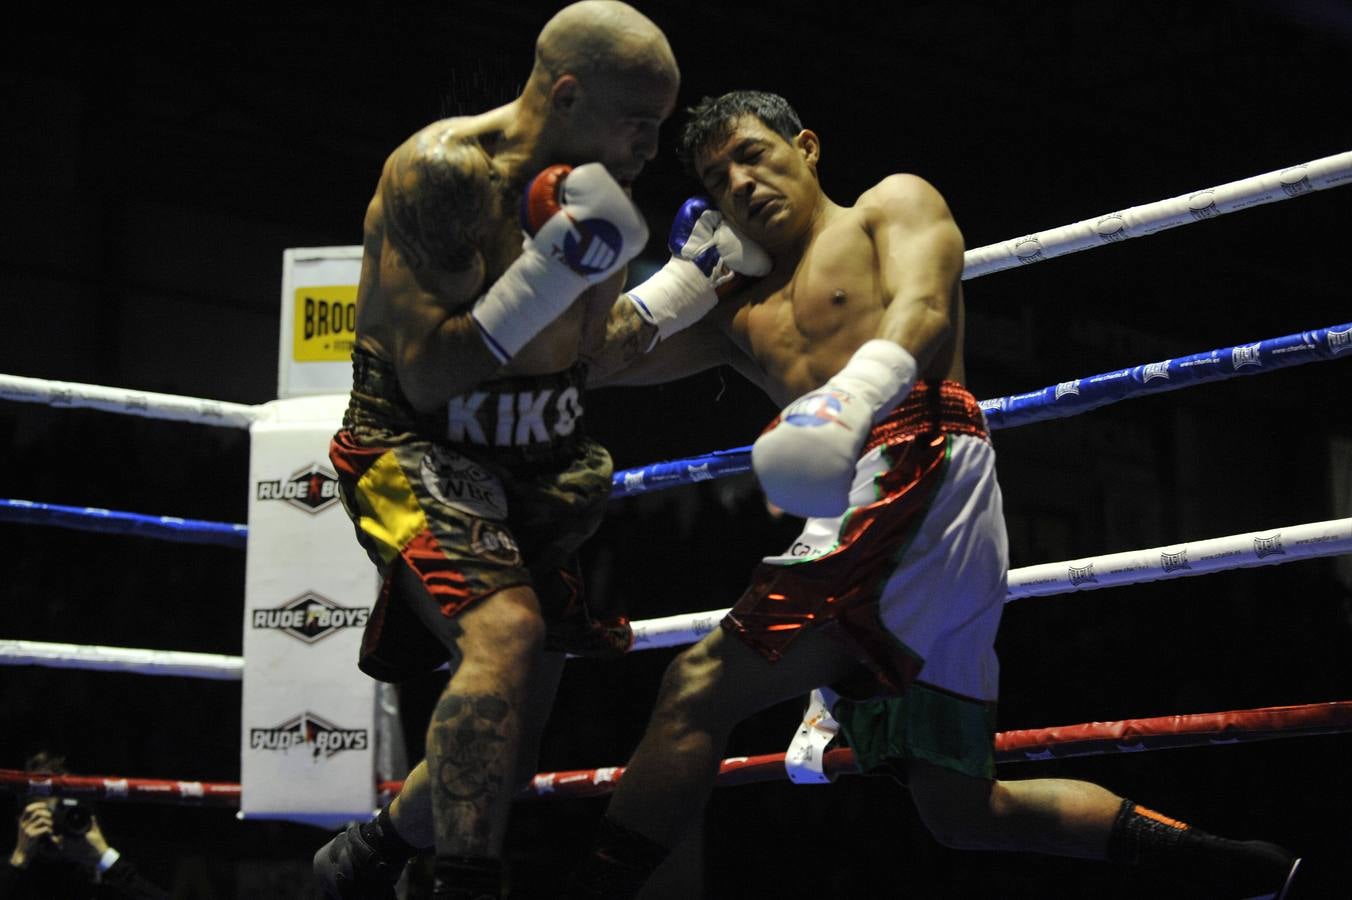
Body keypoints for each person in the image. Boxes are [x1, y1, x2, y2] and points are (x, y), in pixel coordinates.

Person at [565, 90, 1303, 899]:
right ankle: (1249, 872)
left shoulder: (890, 205)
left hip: (917, 456)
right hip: (887, 507)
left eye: (753, 153)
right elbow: (591, 362)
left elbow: (922, 309)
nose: (739, 182)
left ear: (806, 147)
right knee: (961, 807)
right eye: (717, 177)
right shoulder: (736, 309)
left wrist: (848, 399)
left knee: (700, 688)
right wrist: (677, 283)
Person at [313, 5, 769, 899]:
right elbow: (431, 375)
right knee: (507, 631)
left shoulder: (598, 192)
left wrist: (691, 280)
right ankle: (468, 884)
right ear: (567, 94)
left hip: (539, 462)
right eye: (639, 121)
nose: (653, 145)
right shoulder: (444, 176)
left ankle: (371, 851)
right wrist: (548, 270)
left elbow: (593, 353)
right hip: (416, 442)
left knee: (508, 751)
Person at [2, 753, 169, 899]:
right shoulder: (13, 871)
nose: (56, 823)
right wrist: (19, 860)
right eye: (48, 812)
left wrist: (106, 859)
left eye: (65, 812)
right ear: (24, 817)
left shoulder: (107, 876)